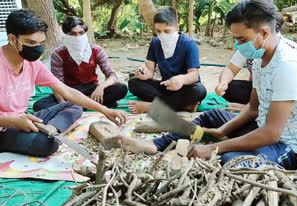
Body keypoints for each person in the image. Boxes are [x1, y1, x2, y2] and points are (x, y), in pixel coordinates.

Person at [119, 0, 297, 170]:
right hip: (262, 127)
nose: (238, 46)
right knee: (212, 116)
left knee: (232, 161)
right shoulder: (260, 58)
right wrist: (223, 130)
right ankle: (156, 145)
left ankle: (230, 148)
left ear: (264, 33)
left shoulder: (287, 66)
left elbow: (272, 133)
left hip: (288, 146)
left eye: (241, 39)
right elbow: (253, 108)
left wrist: (216, 148)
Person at [0, 10, 127, 157]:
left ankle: (51, 131)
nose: (37, 48)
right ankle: (53, 134)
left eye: (40, 43)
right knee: (47, 145)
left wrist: (105, 110)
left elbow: (68, 92)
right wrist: (13, 121)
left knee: (73, 105)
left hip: (22, 119)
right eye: (30, 43)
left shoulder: (33, 64)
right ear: (12, 39)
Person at [33, 16, 127, 112]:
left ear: (85, 34)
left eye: (81, 33)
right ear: (66, 35)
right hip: (68, 91)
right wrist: (62, 103)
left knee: (121, 88)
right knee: (39, 106)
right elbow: (57, 83)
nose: (77, 37)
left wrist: (101, 87)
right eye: (73, 34)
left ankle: (80, 105)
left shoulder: (96, 50)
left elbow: (112, 75)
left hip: (91, 88)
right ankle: (90, 103)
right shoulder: (58, 54)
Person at [128, 7, 207, 114]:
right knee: (133, 83)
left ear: (177, 27)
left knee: (199, 90)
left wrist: (181, 80)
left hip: (185, 88)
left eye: (167, 31)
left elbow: (194, 75)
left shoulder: (189, 44)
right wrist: (144, 73)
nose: (162, 35)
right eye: (158, 31)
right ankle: (181, 105)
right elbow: (150, 70)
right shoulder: (155, 43)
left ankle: (151, 107)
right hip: (166, 87)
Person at [216, 14, 297, 111]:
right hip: (257, 92)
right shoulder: (250, 47)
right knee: (230, 89)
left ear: (265, 32)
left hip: (279, 95)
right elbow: (231, 68)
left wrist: (252, 109)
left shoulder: (287, 58)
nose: (238, 44)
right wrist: (224, 82)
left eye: (242, 39)